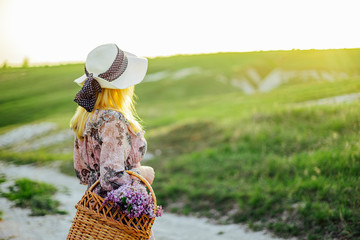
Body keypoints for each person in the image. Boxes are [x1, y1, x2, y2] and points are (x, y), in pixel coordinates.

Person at [70, 43, 155, 239]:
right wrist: (143, 173)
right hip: (117, 216)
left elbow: (82, 174)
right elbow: (112, 179)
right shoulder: (113, 121)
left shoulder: (85, 117)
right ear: (121, 87)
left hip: (95, 210)